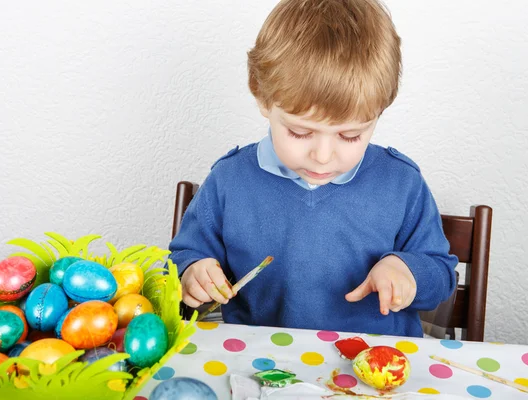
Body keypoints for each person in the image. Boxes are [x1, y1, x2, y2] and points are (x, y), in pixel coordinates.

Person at [168, 0, 458, 337]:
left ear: (379, 111)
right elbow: (181, 258)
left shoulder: (401, 184)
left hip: (373, 367)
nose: (322, 156)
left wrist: (407, 271)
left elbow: (441, 274)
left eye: (350, 135)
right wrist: (192, 272)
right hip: (259, 362)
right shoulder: (229, 180)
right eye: (300, 132)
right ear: (262, 97)